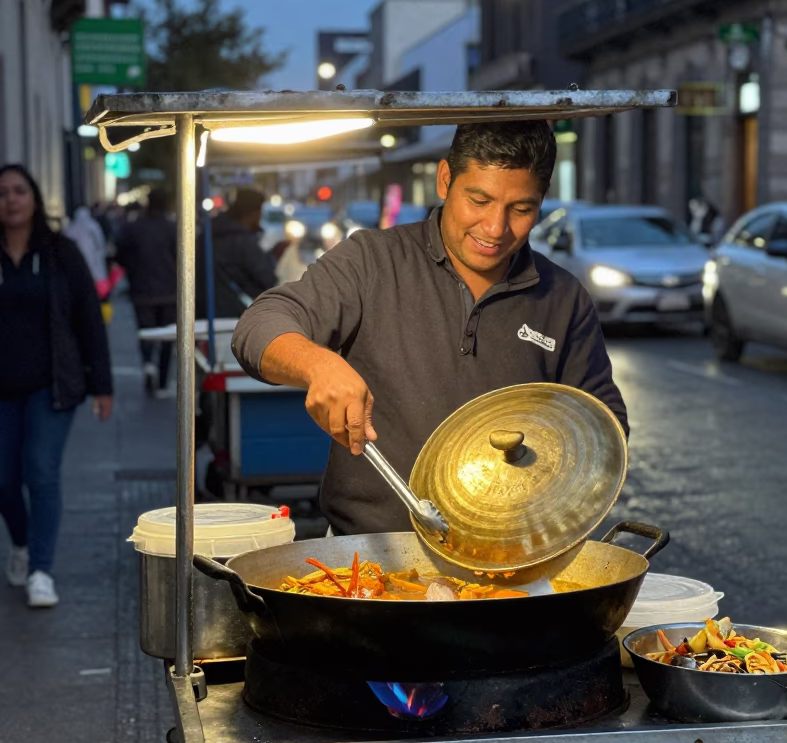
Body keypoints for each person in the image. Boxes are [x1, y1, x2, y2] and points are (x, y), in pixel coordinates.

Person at [232, 121, 628, 536]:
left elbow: (604, 425)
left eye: (521, 209)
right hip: (370, 555)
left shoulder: (563, 297)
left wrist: (551, 460)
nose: (495, 228)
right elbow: (259, 324)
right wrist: (317, 363)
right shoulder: (371, 261)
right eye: (479, 200)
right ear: (445, 180)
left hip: (508, 562)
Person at [0, 165, 113, 607]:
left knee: (40, 471)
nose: (9, 199)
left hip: (52, 385)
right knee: (4, 480)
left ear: (33, 197)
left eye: (18, 191)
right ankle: (23, 545)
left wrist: (102, 384)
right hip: (2, 390)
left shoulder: (59, 252)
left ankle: (41, 571)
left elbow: (88, 316)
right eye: (2, 192)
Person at [115, 188, 177, 397]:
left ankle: (148, 363)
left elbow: (119, 254)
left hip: (141, 289)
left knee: (145, 331)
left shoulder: (133, 228)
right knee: (169, 336)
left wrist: (133, 270)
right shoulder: (173, 228)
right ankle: (162, 382)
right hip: (170, 289)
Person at [201, 188, 277, 319]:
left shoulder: (208, 234)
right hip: (235, 313)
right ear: (253, 213)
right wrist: (273, 257)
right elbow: (267, 278)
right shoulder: (243, 241)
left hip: (203, 309)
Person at [64, 205, 107, 286]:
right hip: (91, 256)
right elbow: (100, 241)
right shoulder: (93, 225)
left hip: (82, 257)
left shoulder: (72, 227)